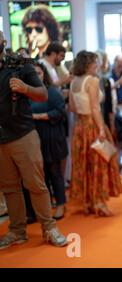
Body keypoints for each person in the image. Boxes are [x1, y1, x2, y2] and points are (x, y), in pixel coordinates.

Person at [0, 30, 67, 250]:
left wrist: (25, 88)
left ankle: (49, 227)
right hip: (1, 140)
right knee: (9, 188)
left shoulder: (20, 64)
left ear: (3, 41)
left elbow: (43, 94)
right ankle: (17, 231)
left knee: (36, 184)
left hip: (23, 134)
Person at [69, 51, 122, 217]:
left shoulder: (74, 81)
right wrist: (101, 129)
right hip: (93, 126)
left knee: (85, 163)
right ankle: (99, 203)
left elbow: (71, 107)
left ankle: (89, 202)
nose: (98, 65)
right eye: (95, 62)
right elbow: (95, 107)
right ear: (87, 64)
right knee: (99, 163)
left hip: (80, 126)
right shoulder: (92, 80)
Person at [30, 62, 68, 220]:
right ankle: (45, 207)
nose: (36, 76)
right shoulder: (26, 94)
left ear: (44, 74)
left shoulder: (52, 92)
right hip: (34, 138)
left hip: (52, 137)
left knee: (54, 172)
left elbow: (60, 112)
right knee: (41, 176)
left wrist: (39, 117)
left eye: (38, 73)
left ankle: (60, 204)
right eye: (33, 74)